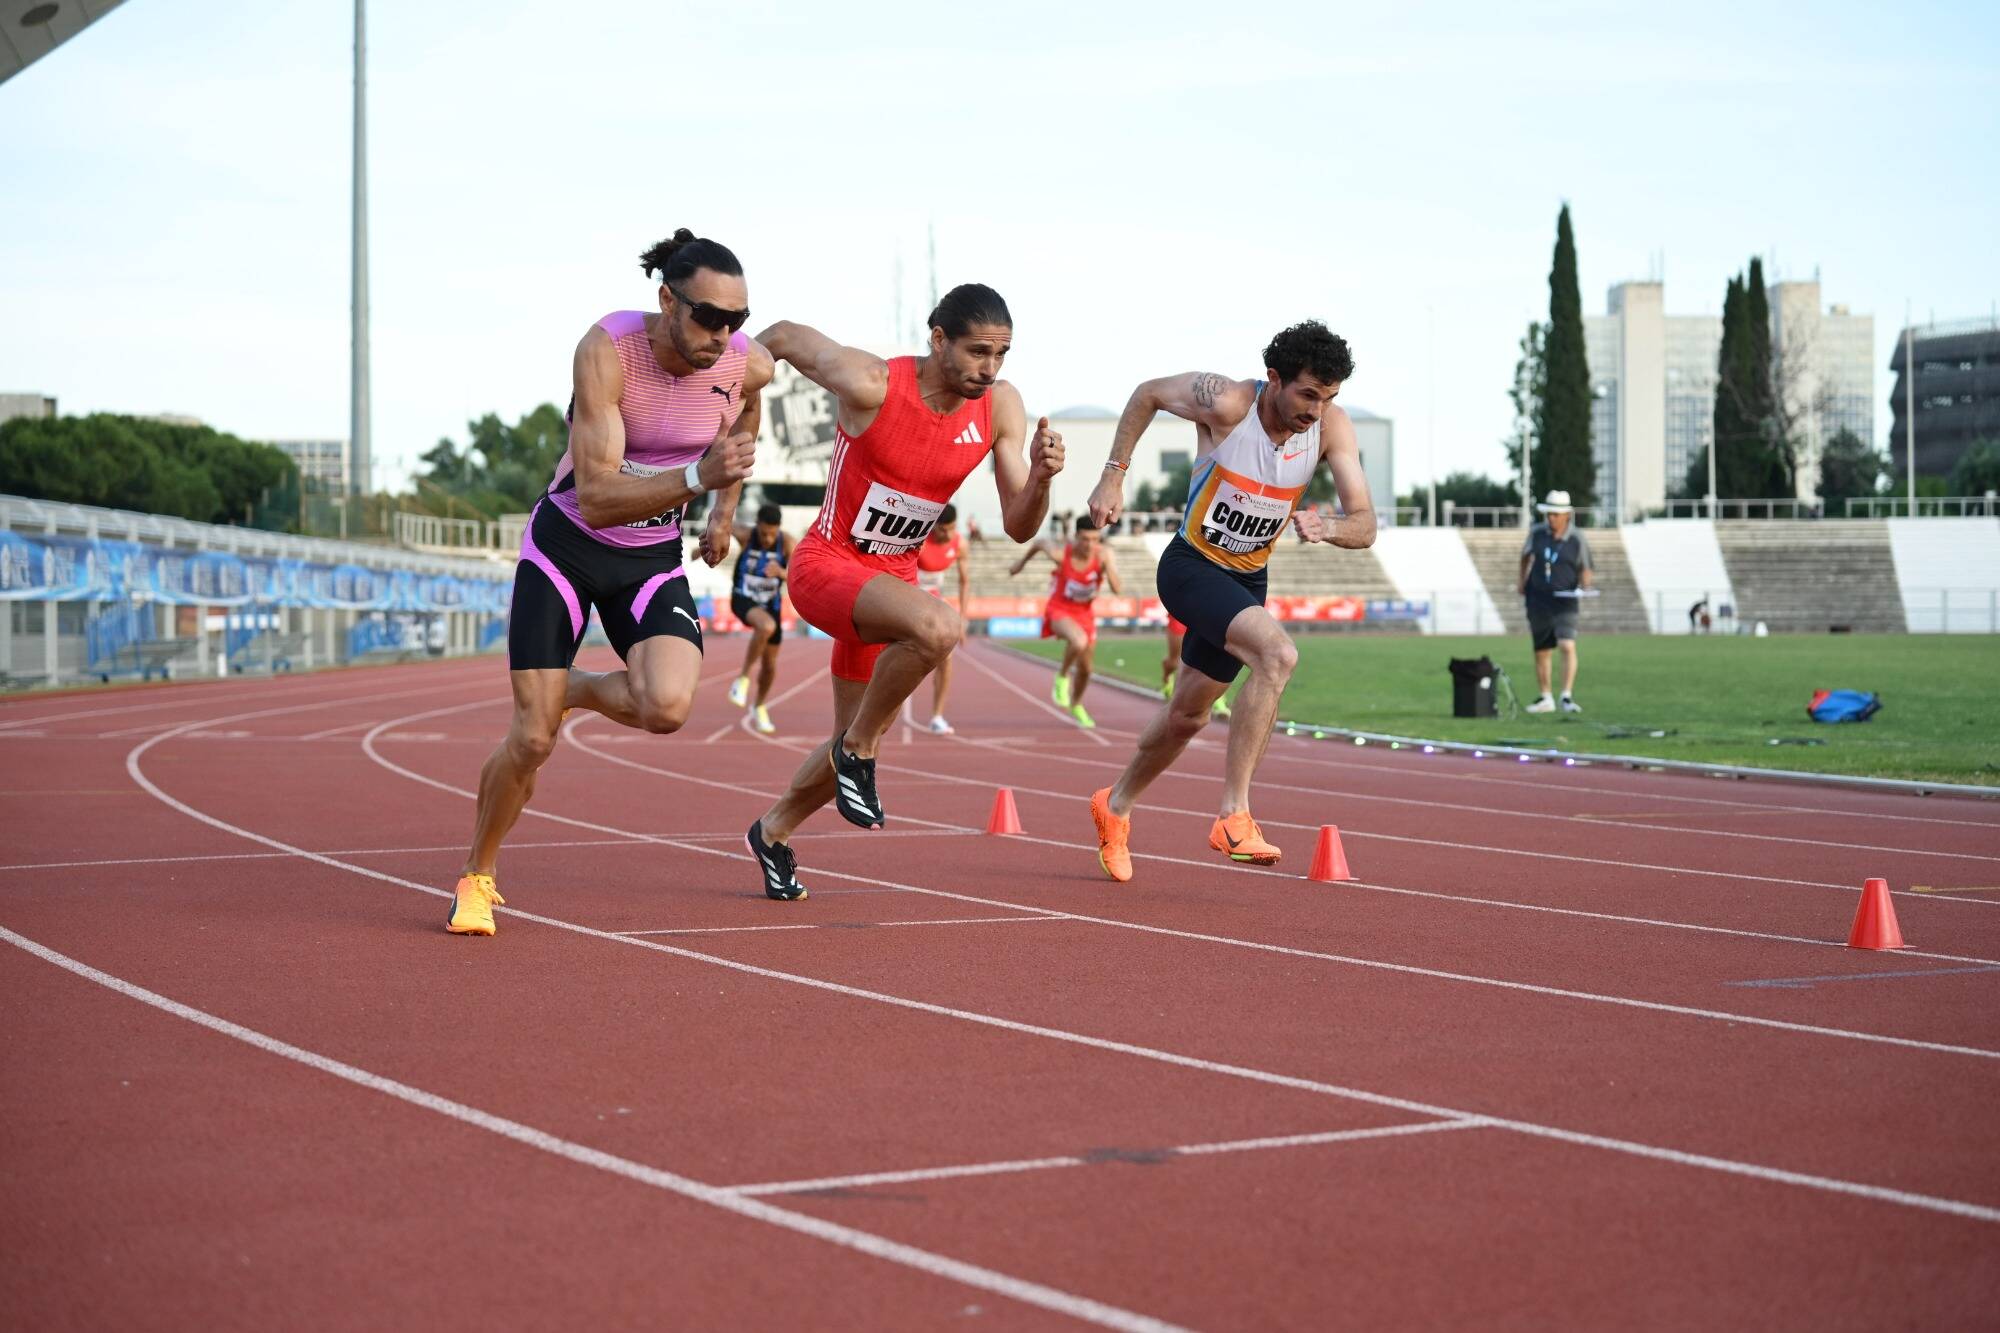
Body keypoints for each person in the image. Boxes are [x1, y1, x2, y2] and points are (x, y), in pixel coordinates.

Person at [448, 230, 769, 936]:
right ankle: (478, 874)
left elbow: (751, 404)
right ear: (666, 299)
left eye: (736, 320)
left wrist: (722, 508)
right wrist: (697, 478)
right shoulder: (608, 351)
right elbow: (595, 495)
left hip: (649, 555)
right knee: (532, 739)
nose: (723, 335)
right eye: (708, 316)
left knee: (668, 705)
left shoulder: (745, 363)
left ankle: (579, 691)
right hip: (567, 545)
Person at [742, 284, 1063, 901]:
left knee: (844, 746)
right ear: (937, 339)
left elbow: (1019, 522)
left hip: (891, 586)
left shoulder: (999, 407)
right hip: (827, 567)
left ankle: (773, 831)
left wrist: (1044, 479)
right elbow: (778, 336)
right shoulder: (870, 383)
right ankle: (860, 749)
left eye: (1001, 355)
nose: (989, 369)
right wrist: (730, 401)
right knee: (940, 628)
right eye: (977, 353)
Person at [1083, 321, 1374, 882]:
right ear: (1274, 380)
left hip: (1246, 580)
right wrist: (1113, 476)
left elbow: (1364, 524)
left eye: (1329, 397)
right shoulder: (1229, 402)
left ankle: (1114, 805)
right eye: (1308, 394)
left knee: (1187, 716)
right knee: (1278, 655)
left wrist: (1328, 526)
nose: (1317, 410)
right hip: (1191, 567)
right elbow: (1147, 393)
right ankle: (1233, 814)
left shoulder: (1332, 428)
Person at [1010, 514, 1123, 728]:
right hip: (1059, 610)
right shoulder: (1062, 554)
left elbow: (1118, 589)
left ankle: (1077, 704)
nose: (1089, 545)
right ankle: (1062, 677)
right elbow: (1040, 543)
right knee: (1078, 641)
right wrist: (1020, 564)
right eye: (1084, 539)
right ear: (1075, 537)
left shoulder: (1103, 555)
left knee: (1087, 669)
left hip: (1085, 614)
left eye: (1094, 540)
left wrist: (1107, 567)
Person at [1517, 488, 1594, 713]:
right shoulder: (1537, 533)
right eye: (1548, 514)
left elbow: (1586, 568)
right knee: (1542, 648)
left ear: (1566, 515)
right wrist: (1521, 581)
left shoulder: (1577, 537)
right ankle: (1545, 697)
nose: (1551, 518)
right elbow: (1524, 557)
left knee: (1567, 644)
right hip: (1538, 598)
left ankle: (1566, 696)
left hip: (1566, 600)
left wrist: (1585, 586)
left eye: (1555, 514)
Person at [727, 502, 792, 734]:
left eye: (771, 534)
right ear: (757, 527)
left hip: (770, 604)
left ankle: (759, 705)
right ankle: (742, 680)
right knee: (766, 627)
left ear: (778, 529)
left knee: (770, 666)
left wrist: (782, 572)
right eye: (763, 533)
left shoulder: (786, 543)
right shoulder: (745, 534)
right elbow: (720, 524)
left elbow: (799, 575)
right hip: (743, 598)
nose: (766, 538)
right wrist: (705, 545)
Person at [913, 503, 970, 735]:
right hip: (909, 593)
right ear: (933, 525)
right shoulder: (918, 539)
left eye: (952, 528)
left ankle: (937, 716)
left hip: (934, 598)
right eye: (943, 529)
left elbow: (964, 581)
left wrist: (964, 618)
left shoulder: (960, 544)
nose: (948, 534)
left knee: (947, 653)